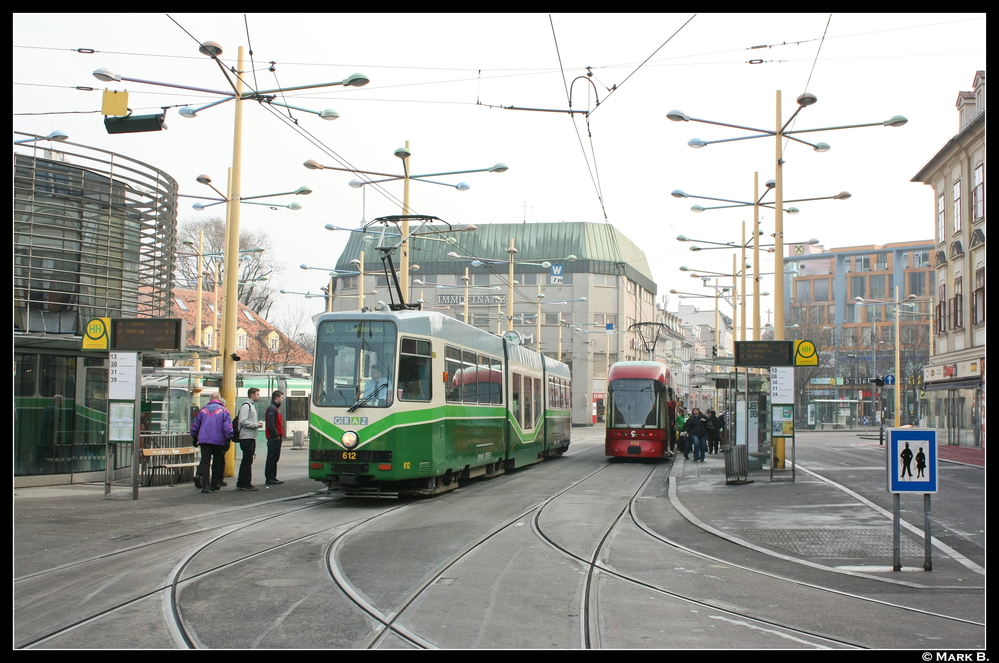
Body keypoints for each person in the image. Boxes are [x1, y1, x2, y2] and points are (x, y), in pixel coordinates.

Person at [190, 392, 234, 493]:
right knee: (216, 462)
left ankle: (205, 485)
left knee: (205, 461)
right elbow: (228, 427)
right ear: (219, 399)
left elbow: (195, 425)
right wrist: (228, 438)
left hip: (204, 440)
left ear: (211, 399)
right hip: (218, 441)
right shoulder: (224, 411)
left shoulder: (202, 410)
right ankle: (214, 483)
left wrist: (194, 437)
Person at [235, 388, 264, 491]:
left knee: (247, 460)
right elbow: (243, 421)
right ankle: (246, 483)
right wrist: (256, 425)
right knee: (247, 460)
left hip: (250, 436)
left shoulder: (250, 406)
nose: (259, 396)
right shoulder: (246, 406)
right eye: (257, 394)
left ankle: (241, 482)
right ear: (252, 395)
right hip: (246, 437)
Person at [264, 390, 285, 485]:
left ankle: (273, 476)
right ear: (276, 398)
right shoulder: (272, 409)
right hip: (273, 438)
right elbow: (271, 424)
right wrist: (276, 435)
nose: (282, 399)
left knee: (275, 458)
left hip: (276, 437)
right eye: (281, 397)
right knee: (272, 457)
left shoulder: (275, 408)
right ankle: (269, 477)